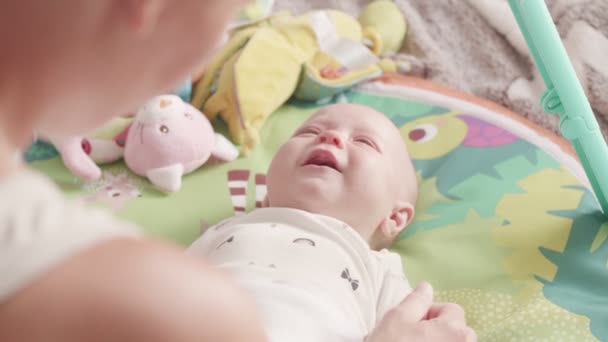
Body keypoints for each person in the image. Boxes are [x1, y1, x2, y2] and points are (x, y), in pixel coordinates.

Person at [188, 103, 477, 341]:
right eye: (310, 131)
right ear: (265, 198)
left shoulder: (377, 268)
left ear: (393, 217)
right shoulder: (230, 228)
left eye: (364, 142)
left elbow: (407, 328)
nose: (329, 137)